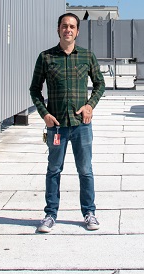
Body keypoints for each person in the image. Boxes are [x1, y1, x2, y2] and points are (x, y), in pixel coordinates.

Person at [30, 13, 106, 233]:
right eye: (64, 26)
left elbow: (100, 84)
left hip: (81, 125)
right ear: (58, 29)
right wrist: (44, 113)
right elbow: (34, 90)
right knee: (54, 169)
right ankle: (50, 215)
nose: (68, 30)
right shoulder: (46, 57)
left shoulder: (87, 56)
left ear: (77, 31)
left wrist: (90, 105)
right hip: (56, 126)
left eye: (72, 27)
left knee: (85, 170)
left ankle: (89, 213)